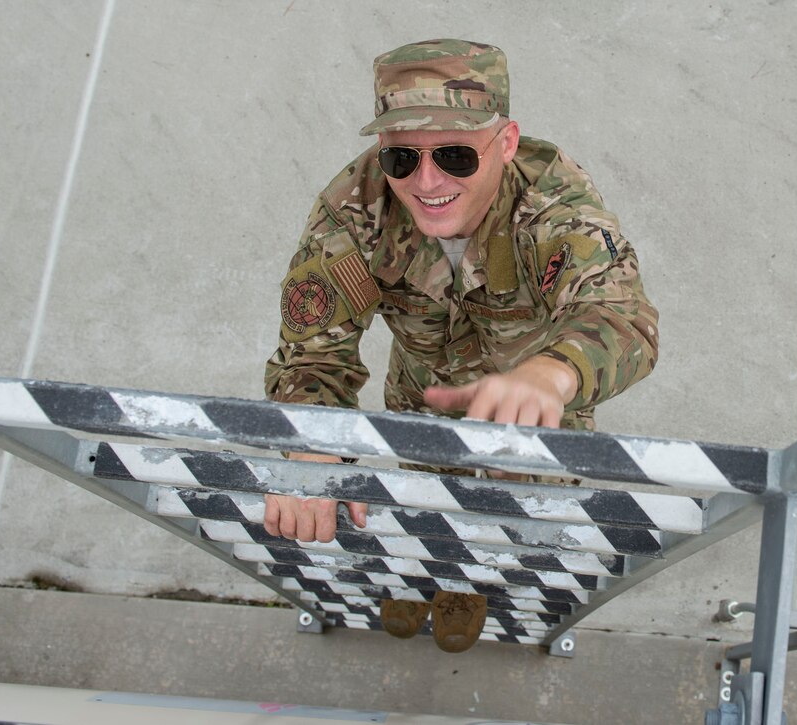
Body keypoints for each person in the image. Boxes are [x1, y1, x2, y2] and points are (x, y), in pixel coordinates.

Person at [262, 39, 659, 653]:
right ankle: (427, 572)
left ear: (505, 142)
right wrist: (311, 444)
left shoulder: (553, 205)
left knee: (521, 518)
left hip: (534, 409)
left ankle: (480, 585)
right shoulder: (355, 208)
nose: (427, 181)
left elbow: (619, 314)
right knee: (426, 494)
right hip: (424, 394)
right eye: (401, 157)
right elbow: (314, 351)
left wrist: (550, 376)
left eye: (455, 155)